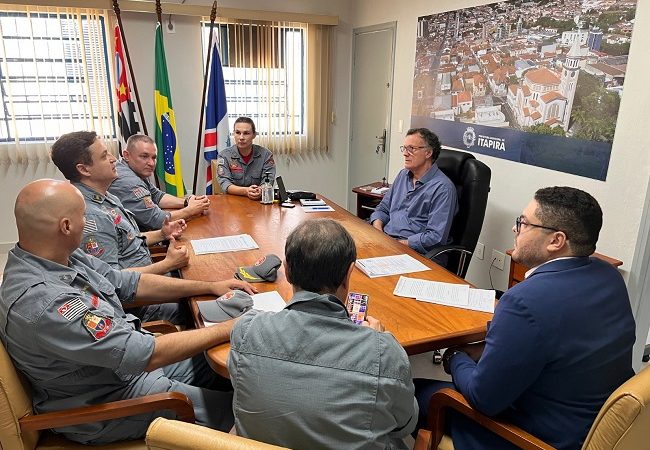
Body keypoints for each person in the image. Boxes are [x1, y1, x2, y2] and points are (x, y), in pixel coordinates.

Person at [0, 179, 256, 445]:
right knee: (250, 414)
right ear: (66, 227)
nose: (88, 222)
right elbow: (145, 355)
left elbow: (127, 283)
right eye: (83, 216)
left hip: (124, 367)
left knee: (242, 370)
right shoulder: (45, 301)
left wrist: (209, 286)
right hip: (107, 403)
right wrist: (233, 326)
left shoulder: (58, 256)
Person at [414, 187, 636, 450]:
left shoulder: (525, 301)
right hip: (589, 425)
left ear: (556, 241)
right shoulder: (608, 277)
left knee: (412, 392)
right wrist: (480, 349)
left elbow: (482, 398)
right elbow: (549, 342)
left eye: (523, 223)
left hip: (536, 439)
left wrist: (454, 357)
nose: (514, 229)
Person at [228, 218, 418, 449]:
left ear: (286, 271)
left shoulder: (247, 330)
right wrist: (377, 342)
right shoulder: (384, 353)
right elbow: (405, 424)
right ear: (349, 275)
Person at [51, 131, 189, 323]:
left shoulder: (106, 197)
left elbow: (126, 241)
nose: (113, 159)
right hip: (141, 303)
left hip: (151, 276)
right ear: (84, 169)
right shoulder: (92, 217)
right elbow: (111, 284)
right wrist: (167, 265)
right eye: (104, 155)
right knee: (206, 303)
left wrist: (161, 233)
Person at [369, 128, 458, 255]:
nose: (405, 153)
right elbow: (383, 208)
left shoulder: (443, 189)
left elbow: (435, 237)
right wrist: (378, 231)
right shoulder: (403, 175)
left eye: (411, 149)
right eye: (404, 148)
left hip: (416, 253)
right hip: (387, 242)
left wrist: (396, 244)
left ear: (428, 153)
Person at [108, 134, 210, 231]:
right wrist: (190, 210)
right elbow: (156, 220)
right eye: (144, 156)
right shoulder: (129, 182)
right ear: (126, 155)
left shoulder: (134, 169)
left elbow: (157, 195)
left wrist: (187, 202)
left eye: (154, 157)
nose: (151, 163)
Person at [217, 117, 275, 200]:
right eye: (237, 132)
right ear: (233, 134)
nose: (241, 137)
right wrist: (245, 191)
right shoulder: (224, 156)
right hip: (232, 202)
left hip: (257, 202)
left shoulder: (266, 155)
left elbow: (268, 180)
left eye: (246, 133)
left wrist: (260, 190)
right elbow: (224, 183)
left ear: (254, 135)